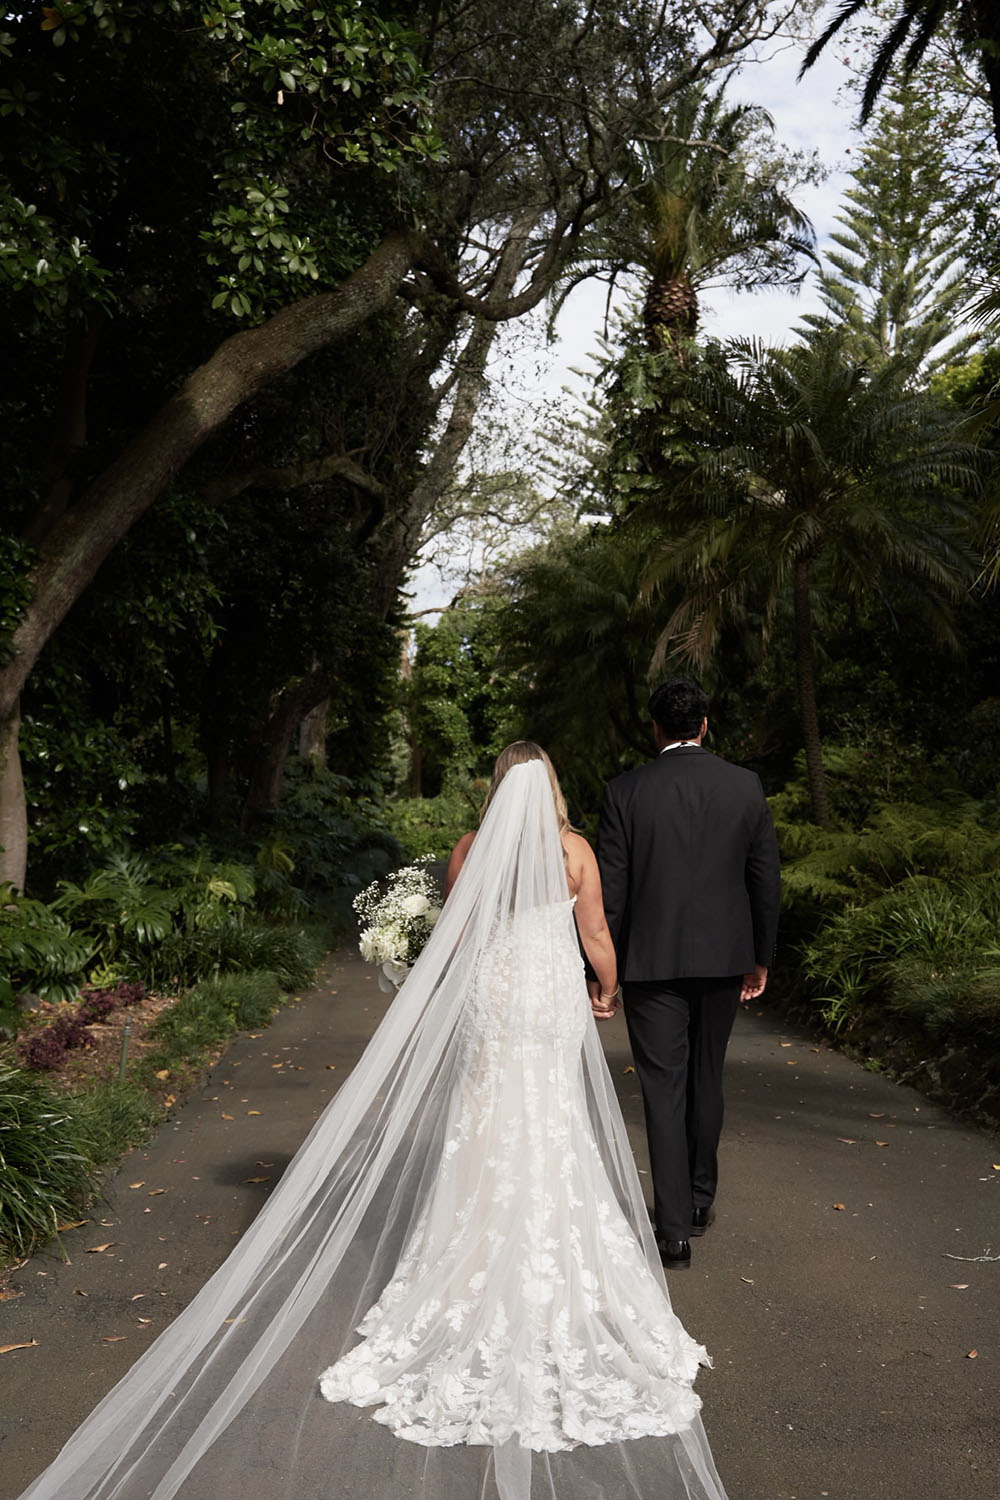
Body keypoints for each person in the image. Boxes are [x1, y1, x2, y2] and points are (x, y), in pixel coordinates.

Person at [16, 742, 730, 1500]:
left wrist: (412, 967)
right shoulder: (576, 850)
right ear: (551, 787)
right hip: (548, 999)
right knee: (550, 1116)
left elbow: (457, 937)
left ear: (496, 787)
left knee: (488, 1120)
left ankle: (471, 1254)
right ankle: (556, 1254)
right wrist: (608, 987)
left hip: (497, 997)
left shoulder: (470, 847)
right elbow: (592, 935)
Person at [597, 680, 781, 1270]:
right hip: (726, 958)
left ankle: (673, 1231)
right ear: (704, 724)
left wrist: (602, 972)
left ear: (656, 728)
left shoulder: (624, 791)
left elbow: (613, 893)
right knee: (707, 1077)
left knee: (663, 1088)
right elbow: (764, 880)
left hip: (650, 965)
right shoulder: (745, 786)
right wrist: (761, 955)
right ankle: (700, 1202)